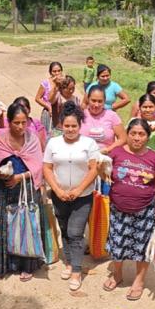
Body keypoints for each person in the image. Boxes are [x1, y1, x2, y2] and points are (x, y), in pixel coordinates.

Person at [102, 119, 155, 301]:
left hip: (144, 211)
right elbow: (105, 175)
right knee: (117, 243)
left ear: (148, 136)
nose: (137, 138)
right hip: (118, 209)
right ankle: (117, 274)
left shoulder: (154, 158)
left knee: (143, 247)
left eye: (141, 134)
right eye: (133, 133)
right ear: (127, 134)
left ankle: (139, 280)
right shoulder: (115, 153)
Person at [0, 102, 45, 281]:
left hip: (26, 189)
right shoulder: (0, 140)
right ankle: (0, 266)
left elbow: (38, 167)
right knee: (3, 226)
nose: (20, 127)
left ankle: (27, 265)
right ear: (9, 122)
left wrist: (20, 177)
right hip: (3, 191)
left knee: (26, 225)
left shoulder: (32, 139)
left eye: (23, 122)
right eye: (16, 123)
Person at [43, 101, 100, 291]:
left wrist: (78, 190)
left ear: (80, 125)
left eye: (74, 126)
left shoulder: (89, 143)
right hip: (59, 195)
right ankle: (68, 262)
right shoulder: (53, 142)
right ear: (61, 125)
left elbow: (93, 169)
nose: (70, 129)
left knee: (75, 232)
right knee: (64, 229)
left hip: (82, 196)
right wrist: (57, 191)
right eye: (66, 126)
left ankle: (76, 271)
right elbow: (47, 168)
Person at [80, 86, 127, 154]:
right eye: (93, 100)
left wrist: (108, 149)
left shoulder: (112, 116)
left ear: (104, 101)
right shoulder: (80, 115)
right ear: (88, 99)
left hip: (105, 157)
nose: (96, 105)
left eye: (100, 101)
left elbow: (123, 139)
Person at [35, 62, 64, 133]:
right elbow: (37, 98)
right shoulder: (45, 83)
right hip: (49, 113)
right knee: (48, 134)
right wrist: (48, 106)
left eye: (59, 71)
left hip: (61, 112)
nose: (57, 73)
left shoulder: (64, 82)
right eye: (54, 71)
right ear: (50, 72)